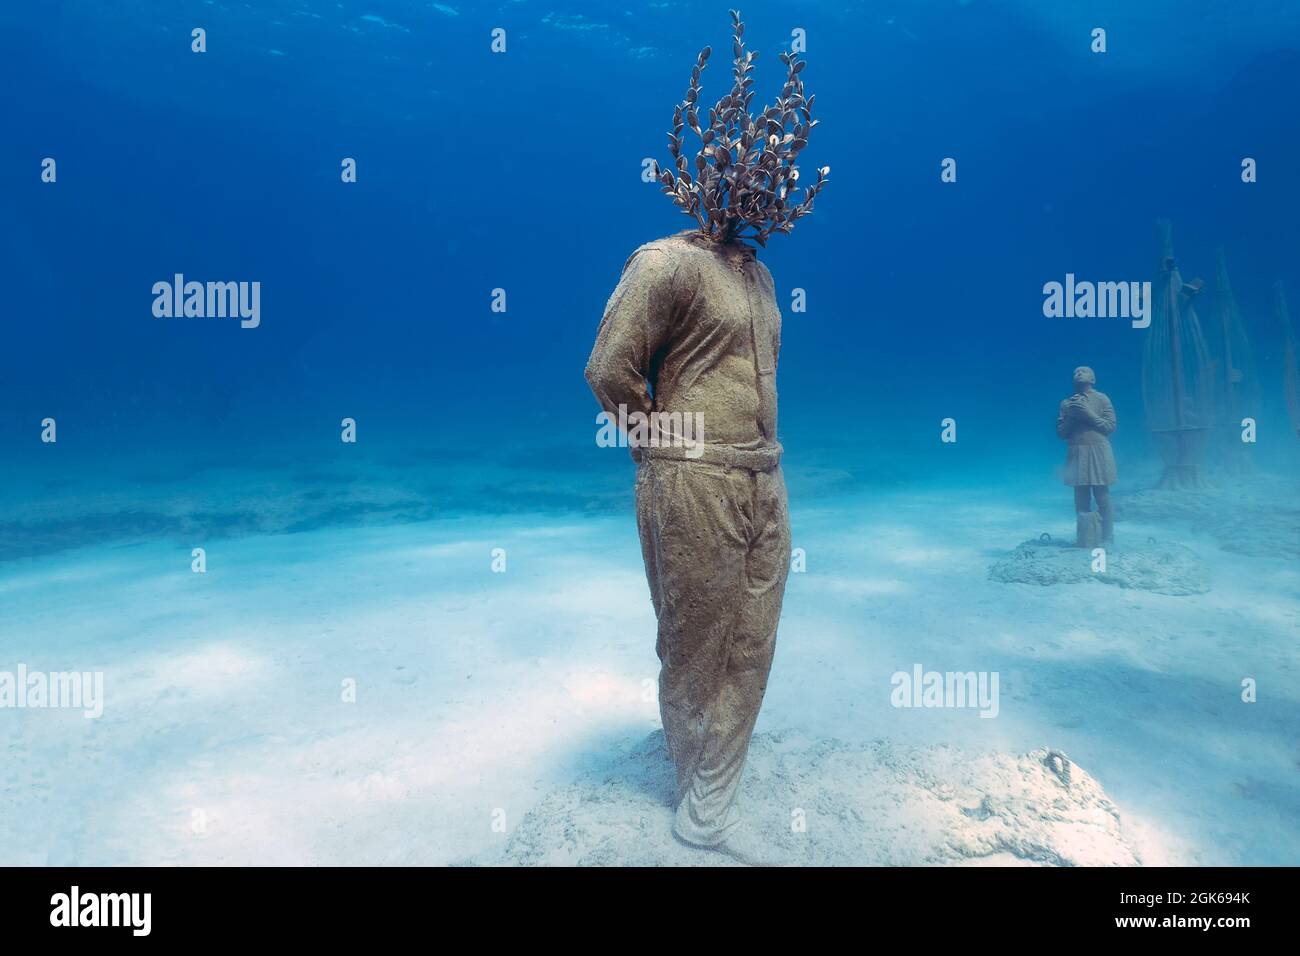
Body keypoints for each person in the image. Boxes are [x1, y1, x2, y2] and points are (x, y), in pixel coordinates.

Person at [1056, 366, 1117, 545]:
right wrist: (1072, 417)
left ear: (1093, 379)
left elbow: (1109, 427)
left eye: (1084, 371)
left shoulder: (1102, 398)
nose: (1079, 373)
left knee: (1102, 496)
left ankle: (1107, 536)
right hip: (1077, 451)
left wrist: (1087, 413)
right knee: (1080, 497)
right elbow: (1061, 433)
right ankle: (1085, 537)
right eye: (1075, 372)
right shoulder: (1066, 403)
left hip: (1098, 450)